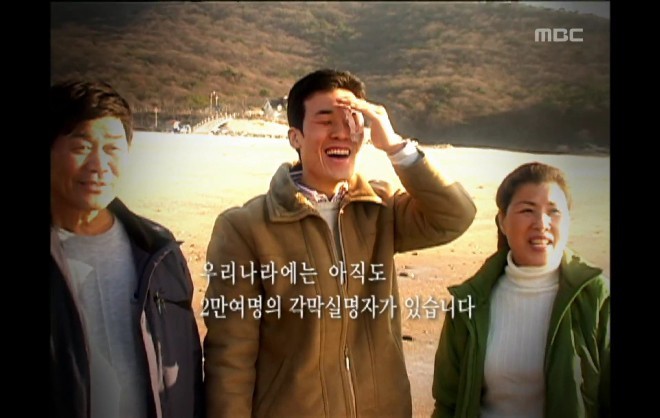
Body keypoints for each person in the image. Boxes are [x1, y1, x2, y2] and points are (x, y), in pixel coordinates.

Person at [204, 68, 477, 417]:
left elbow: (455, 215)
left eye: (353, 119)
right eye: (325, 120)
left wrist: (396, 147)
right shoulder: (246, 228)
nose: (341, 132)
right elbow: (230, 358)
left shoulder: (380, 208)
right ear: (295, 136)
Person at [50, 80, 205, 418]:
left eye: (112, 148)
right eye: (82, 146)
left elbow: (189, 363)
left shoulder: (159, 251)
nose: (98, 164)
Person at [431, 162, 610, 418]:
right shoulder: (470, 301)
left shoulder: (597, 297)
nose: (542, 223)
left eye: (553, 211)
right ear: (502, 221)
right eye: (528, 210)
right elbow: (447, 402)